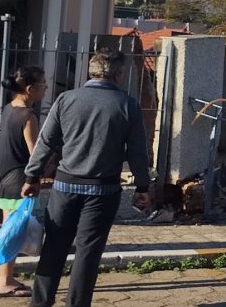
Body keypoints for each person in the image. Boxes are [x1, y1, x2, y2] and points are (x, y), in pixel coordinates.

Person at [22, 50, 151, 307]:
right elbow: (138, 151)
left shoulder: (66, 99)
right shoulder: (127, 105)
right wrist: (143, 186)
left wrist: (32, 176)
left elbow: (46, 143)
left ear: (91, 72)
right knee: (87, 254)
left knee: (54, 249)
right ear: (117, 74)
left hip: (64, 187)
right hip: (103, 192)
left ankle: (40, 303)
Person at [0, 66, 46, 298]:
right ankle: (3, 282)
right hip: (18, 181)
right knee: (11, 233)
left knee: (10, 229)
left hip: (5, 178)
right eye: (43, 84)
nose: (46, 88)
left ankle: (8, 277)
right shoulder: (28, 116)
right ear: (30, 89)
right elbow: (35, 153)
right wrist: (41, 175)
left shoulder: (9, 109)